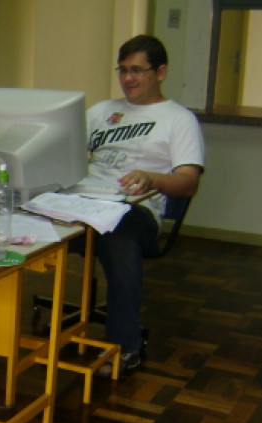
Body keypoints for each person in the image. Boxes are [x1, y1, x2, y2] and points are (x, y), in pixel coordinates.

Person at [88, 35, 204, 375]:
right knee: (21, 220)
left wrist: (153, 178)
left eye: (137, 70)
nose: (128, 79)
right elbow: (61, 149)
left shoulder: (178, 119)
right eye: (123, 70)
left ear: (161, 72)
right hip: (85, 201)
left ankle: (125, 347)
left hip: (136, 208)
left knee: (118, 239)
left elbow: (188, 181)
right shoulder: (100, 111)